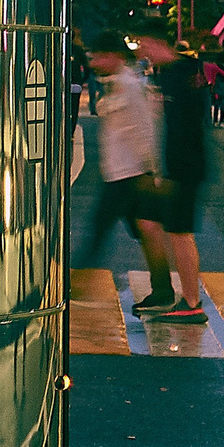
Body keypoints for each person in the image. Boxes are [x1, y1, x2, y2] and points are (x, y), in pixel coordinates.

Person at [80, 28, 175, 305]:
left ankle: (78, 284)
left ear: (114, 57)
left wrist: (154, 171)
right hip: (122, 171)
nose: (94, 61)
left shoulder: (131, 86)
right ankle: (162, 289)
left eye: (99, 56)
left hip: (130, 175)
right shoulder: (117, 82)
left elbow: (146, 129)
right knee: (147, 230)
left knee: (100, 228)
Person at [127, 23, 209, 319]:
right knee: (154, 223)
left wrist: (166, 171)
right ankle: (172, 294)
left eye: (146, 47)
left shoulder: (181, 75)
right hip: (179, 166)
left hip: (183, 168)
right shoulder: (181, 71)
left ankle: (191, 303)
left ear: (159, 44)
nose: (144, 54)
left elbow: (184, 128)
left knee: (180, 232)